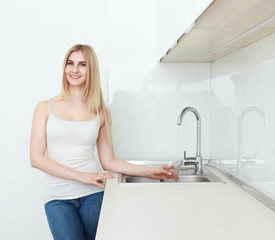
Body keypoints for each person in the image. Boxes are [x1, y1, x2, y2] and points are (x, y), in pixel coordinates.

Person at [29, 44, 178, 240]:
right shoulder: (44, 108)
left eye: (82, 64)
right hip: (58, 198)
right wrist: (81, 176)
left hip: (94, 194)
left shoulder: (101, 111)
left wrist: (150, 171)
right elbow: (36, 159)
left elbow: (109, 161)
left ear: (91, 70)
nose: (74, 70)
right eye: (70, 63)